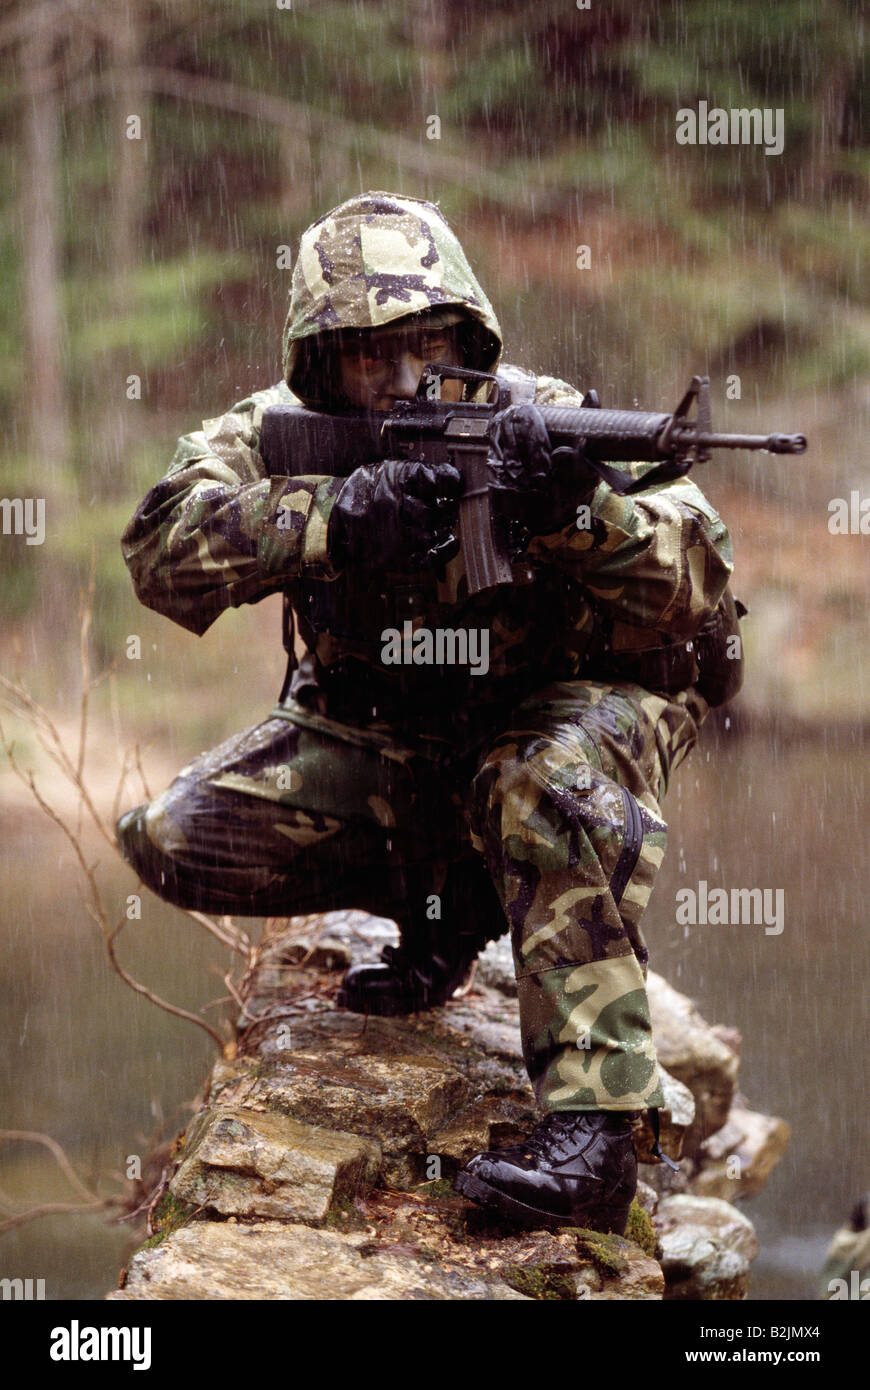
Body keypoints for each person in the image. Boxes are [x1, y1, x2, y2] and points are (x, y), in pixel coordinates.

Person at [117, 191, 740, 1236]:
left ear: (470, 334)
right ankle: (449, 901)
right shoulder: (279, 433)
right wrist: (326, 519)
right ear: (321, 364)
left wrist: (583, 512)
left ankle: (595, 1132)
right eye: (373, 357)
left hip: (555, 722)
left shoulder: (534, 412)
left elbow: (700, 574)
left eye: (432, 346)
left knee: (537, 782)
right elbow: (159, 551)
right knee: (180, 836)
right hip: (390, 738)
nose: (409, 380)